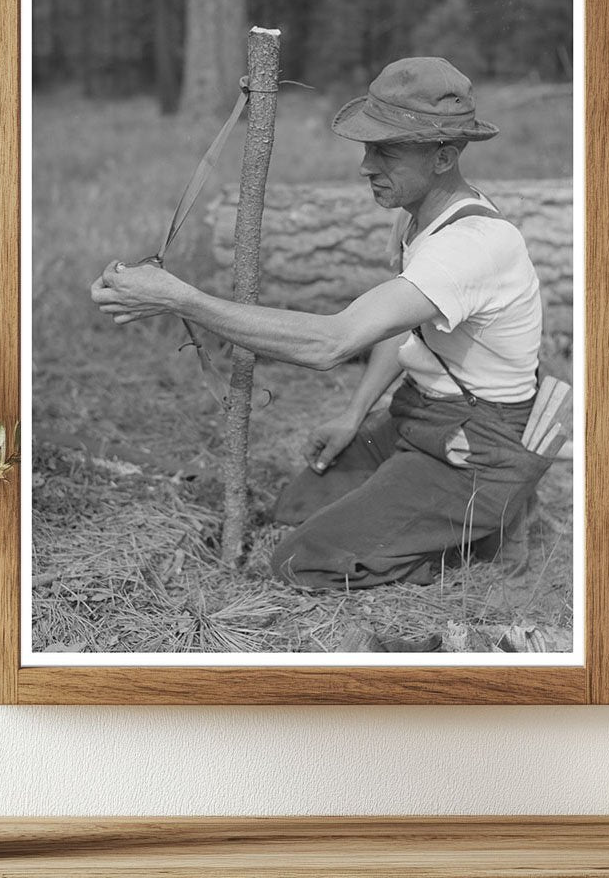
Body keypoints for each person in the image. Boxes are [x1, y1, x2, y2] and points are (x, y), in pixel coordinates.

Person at [91, 57, 551, 590]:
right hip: (423, 415)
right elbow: (400, 327)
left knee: (303, 561)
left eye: (386, 150)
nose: (366, 166)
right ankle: (434, 508)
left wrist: (183, 300)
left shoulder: (472, 246)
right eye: (366, 146)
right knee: (296, 507)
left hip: (479, 441)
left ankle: (485, 524)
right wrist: (355, 416)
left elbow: (331, 343)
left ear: (444, 156)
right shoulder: (418, 216)